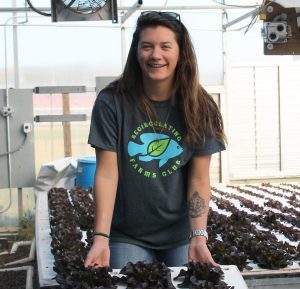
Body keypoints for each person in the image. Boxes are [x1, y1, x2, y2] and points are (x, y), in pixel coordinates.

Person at [84, 11, 226, 269]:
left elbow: (199, 177)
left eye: (165, 46)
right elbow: (106, 173)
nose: (155, 55)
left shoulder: (200, 106)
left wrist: (198, 236)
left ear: (181, 53)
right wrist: (101, 238)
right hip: (127, 233)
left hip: (180, 234)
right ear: (136, 51)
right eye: (147, 46)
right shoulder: (112, 102)